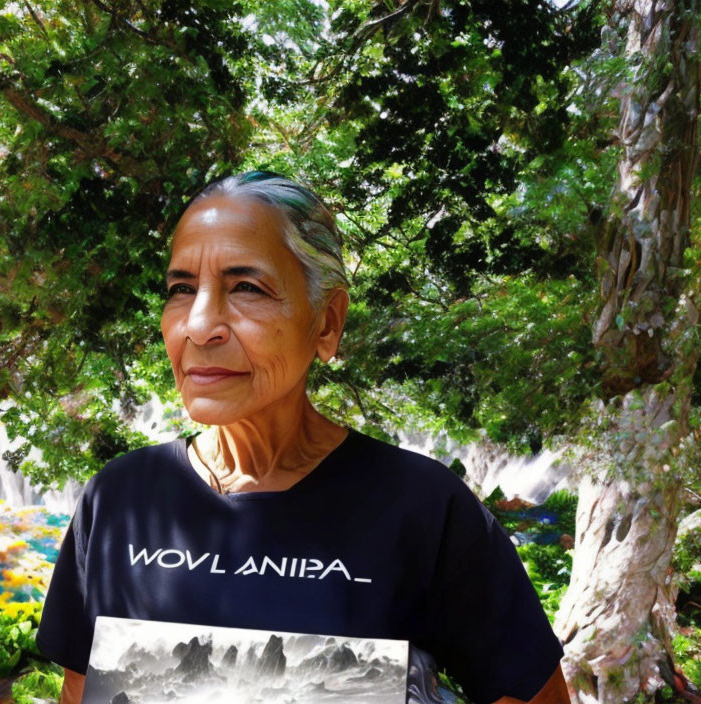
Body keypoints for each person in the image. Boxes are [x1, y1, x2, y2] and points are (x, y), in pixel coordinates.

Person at [36, 171, 571, 704]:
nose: (199, 325)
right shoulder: (121, 498)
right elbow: (79, 694)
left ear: (327, 323)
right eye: (181, 289)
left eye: (246, 287)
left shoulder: (422, 507)